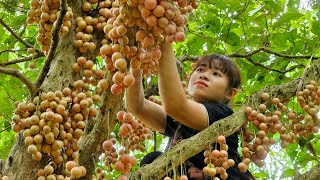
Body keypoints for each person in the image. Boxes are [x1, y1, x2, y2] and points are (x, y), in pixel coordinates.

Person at [127, 43, 254, 180]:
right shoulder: (181, 121)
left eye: (216, 74)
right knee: (152, 159)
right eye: (200, 70)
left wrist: (165, 41)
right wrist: (136, 60)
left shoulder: (222, 113)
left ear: (230, 93)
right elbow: (137, 106)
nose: (204, 75)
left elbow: (176, 105)